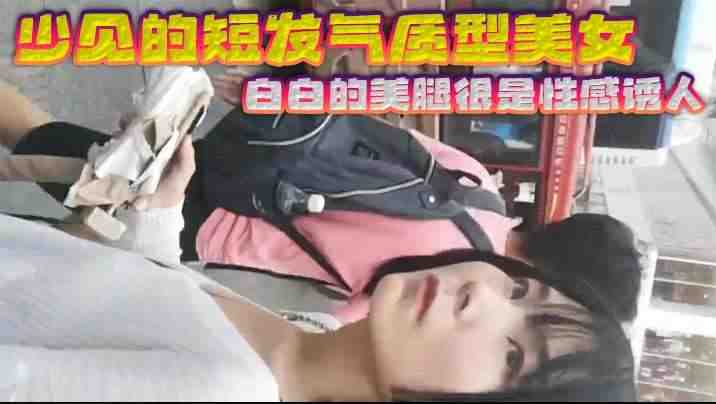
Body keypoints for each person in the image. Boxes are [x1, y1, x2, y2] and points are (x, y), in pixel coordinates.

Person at [0, 80, 637, 401]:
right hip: (190, 216)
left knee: (34, 135)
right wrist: (158, 221)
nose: (483, 296)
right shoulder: (313, 333)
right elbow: (139, 310)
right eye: (520, 292)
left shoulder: (227, 390)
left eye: (512, 358)